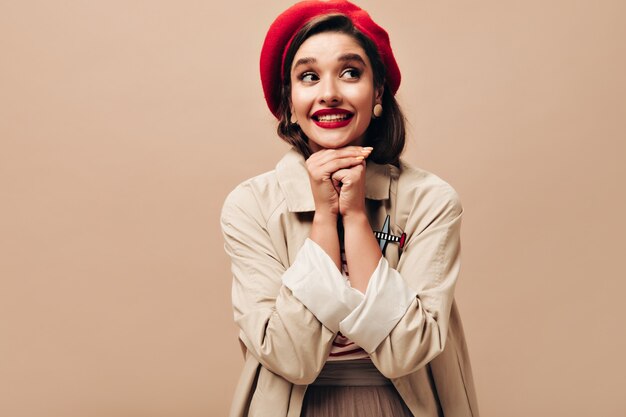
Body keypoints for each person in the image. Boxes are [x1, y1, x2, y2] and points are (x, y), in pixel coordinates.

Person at [220, 1, 479, 416]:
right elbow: (292, 357)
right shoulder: (250, 206)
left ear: (377, 92)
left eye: (350, 73)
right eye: (308, 76)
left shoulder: (431, 200)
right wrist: (325, 218)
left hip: (401, 405)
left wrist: (356, 216)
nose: (329, 93)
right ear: (288, 100)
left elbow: (405, 351)